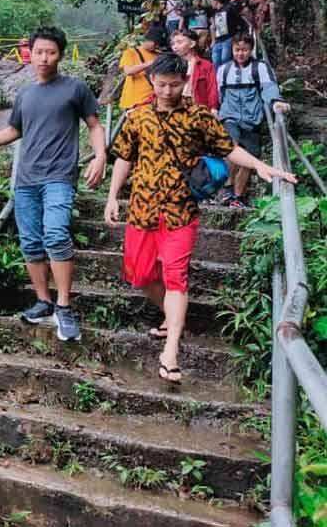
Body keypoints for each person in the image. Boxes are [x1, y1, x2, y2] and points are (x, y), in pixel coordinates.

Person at [105, 53, 295, 383]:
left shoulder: (198, 117)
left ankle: (172, 351)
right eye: (161, 84)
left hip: (181, 211)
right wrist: (112, 196)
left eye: (174, 85)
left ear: (185, 82)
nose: (167, 91)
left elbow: (228, 148)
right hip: (142, 209)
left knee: (176, 276)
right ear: (152, 81)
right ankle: (170, 316)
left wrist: (262, 166)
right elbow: (124, 157)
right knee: (141, 275)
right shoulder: (137, 118)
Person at [0, 26, 106, 342]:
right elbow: (14, 130)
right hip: (26, 180)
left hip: (58, 178)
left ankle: (64, 307)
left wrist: (100, 156)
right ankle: (43, 301)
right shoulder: (25, 94)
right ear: (31, 53)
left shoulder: (75, 88)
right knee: (30, 243)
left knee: (55, 234)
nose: (44, 58)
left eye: (50, 52)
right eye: (39, 51)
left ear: (60, 55)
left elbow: (94, 125)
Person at [217, 32, 291, 207]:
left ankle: (238, 196)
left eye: (244, 50)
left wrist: (276, 101)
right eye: (237, 50)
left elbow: (269, 87)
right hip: (230, 115)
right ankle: (227, 188)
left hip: (252, 118)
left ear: (251, 50)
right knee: (231, 147)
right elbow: (220, 94)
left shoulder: (261, 68)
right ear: (232, 50)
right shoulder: (224, 69)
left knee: (249, 158)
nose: (240, 54)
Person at [117, 26, 164, 109]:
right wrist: (149, 63)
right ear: (147, 39)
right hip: (134, 100)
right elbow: (128, 71)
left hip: (153, 99)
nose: (156, 46)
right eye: (155, 43)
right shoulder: (130, 52)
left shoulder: (159, 55)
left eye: (158, 44)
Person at [170, 29, 219, 110]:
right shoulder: (172, 65)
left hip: (199, 108)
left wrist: (213, 108)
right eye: (173, 44)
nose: (175, 47)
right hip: (177, 107)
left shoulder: (206, 65)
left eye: (179, 42)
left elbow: (212, 89)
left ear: (192, 44)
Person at [209, 0, 246, 70]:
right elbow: (213, 27)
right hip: (217, 40)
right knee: (215, 61)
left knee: (225, 59)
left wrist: (238, 34)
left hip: (228, 38)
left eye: (212, 2)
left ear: (216, 1)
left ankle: (226, 77)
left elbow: (239, 20)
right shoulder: (214, 13)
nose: (211, 4)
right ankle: (218, 79)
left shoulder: (228, 8)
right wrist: (213, 40)